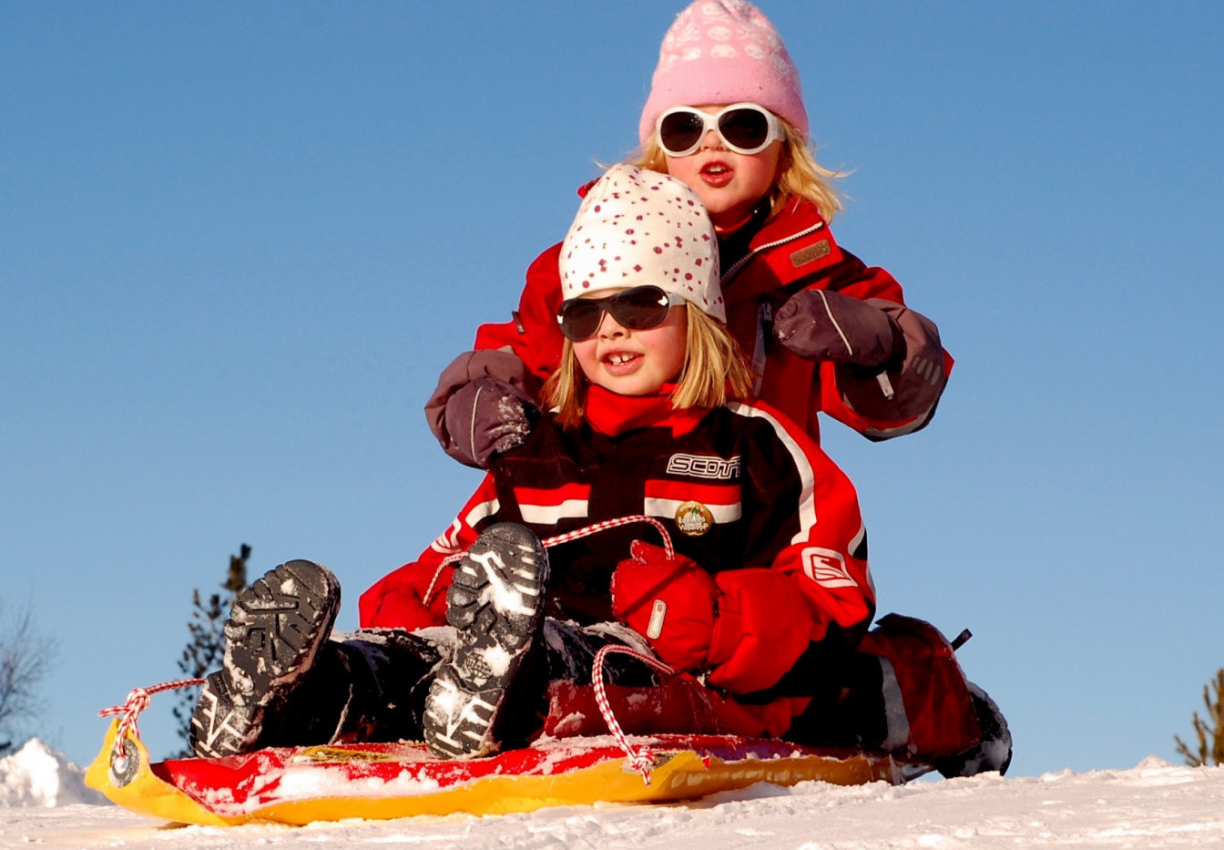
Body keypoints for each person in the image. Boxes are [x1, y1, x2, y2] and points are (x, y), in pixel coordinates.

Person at [189, 167, 1009, 776]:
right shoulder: (540, 450)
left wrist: (711, 616)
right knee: (416, 661)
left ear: (696, 317)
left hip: (662, 669)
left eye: (641, 305)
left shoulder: (754, 446)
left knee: (579, 668)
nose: (610, 328)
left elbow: (830, 605)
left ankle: (490, 686)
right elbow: (441, 561)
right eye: (584, 313)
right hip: (505, 646)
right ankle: (303, 695)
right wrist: (416, 606)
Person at [427, 0, 952, 472]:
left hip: (756, 508)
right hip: (613, 496)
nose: (711, 144)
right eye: (686, 127)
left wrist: (878, 347)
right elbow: (531, 350)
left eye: (743, 126)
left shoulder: (818, 275)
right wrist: (482, 395)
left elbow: (896, 410)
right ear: (661, 147)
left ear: (784, 145)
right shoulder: (595, 255)